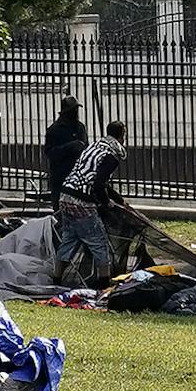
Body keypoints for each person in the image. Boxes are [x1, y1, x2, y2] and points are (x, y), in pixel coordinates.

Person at [52, 120, 128, 288]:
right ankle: (104, 285)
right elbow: (99, 184)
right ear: (122, 135)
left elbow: (96, 179)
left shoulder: (95, 147)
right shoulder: (111, 155)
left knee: (69, 240)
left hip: (65, 196)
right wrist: (107, 203)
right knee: (99, 242)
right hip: (82, 202)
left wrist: (119, 199)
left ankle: (56, 280)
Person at [42, 95, 87, 210]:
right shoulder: (54, 129)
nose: (75, 112)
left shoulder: (80, 127)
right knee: (60, 212)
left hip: (77, 178)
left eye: (76, 109)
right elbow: (50, 152)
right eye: (73, 110)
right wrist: (69, 147)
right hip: (60, 177)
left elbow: (86, 147)